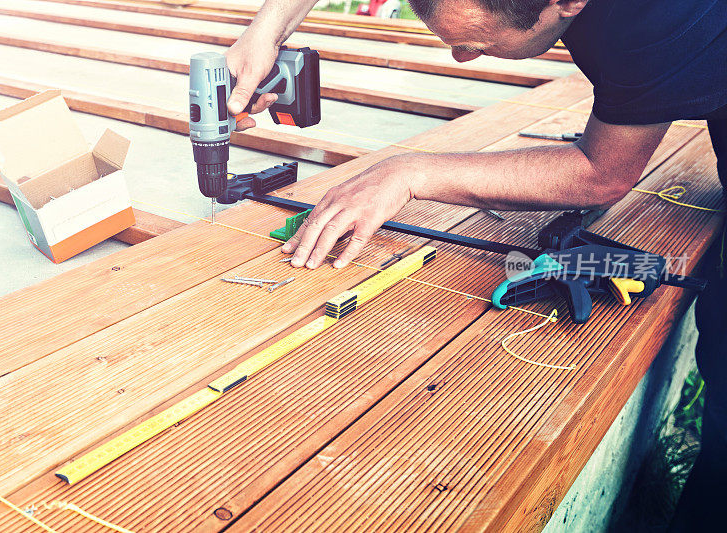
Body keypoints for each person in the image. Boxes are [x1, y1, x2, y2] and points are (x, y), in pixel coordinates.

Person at [225, 2, 726, 528]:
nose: (462, 59)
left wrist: (408, 172)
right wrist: (267, 29)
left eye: (477, 42)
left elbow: (600, 172)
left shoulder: (653, 15)